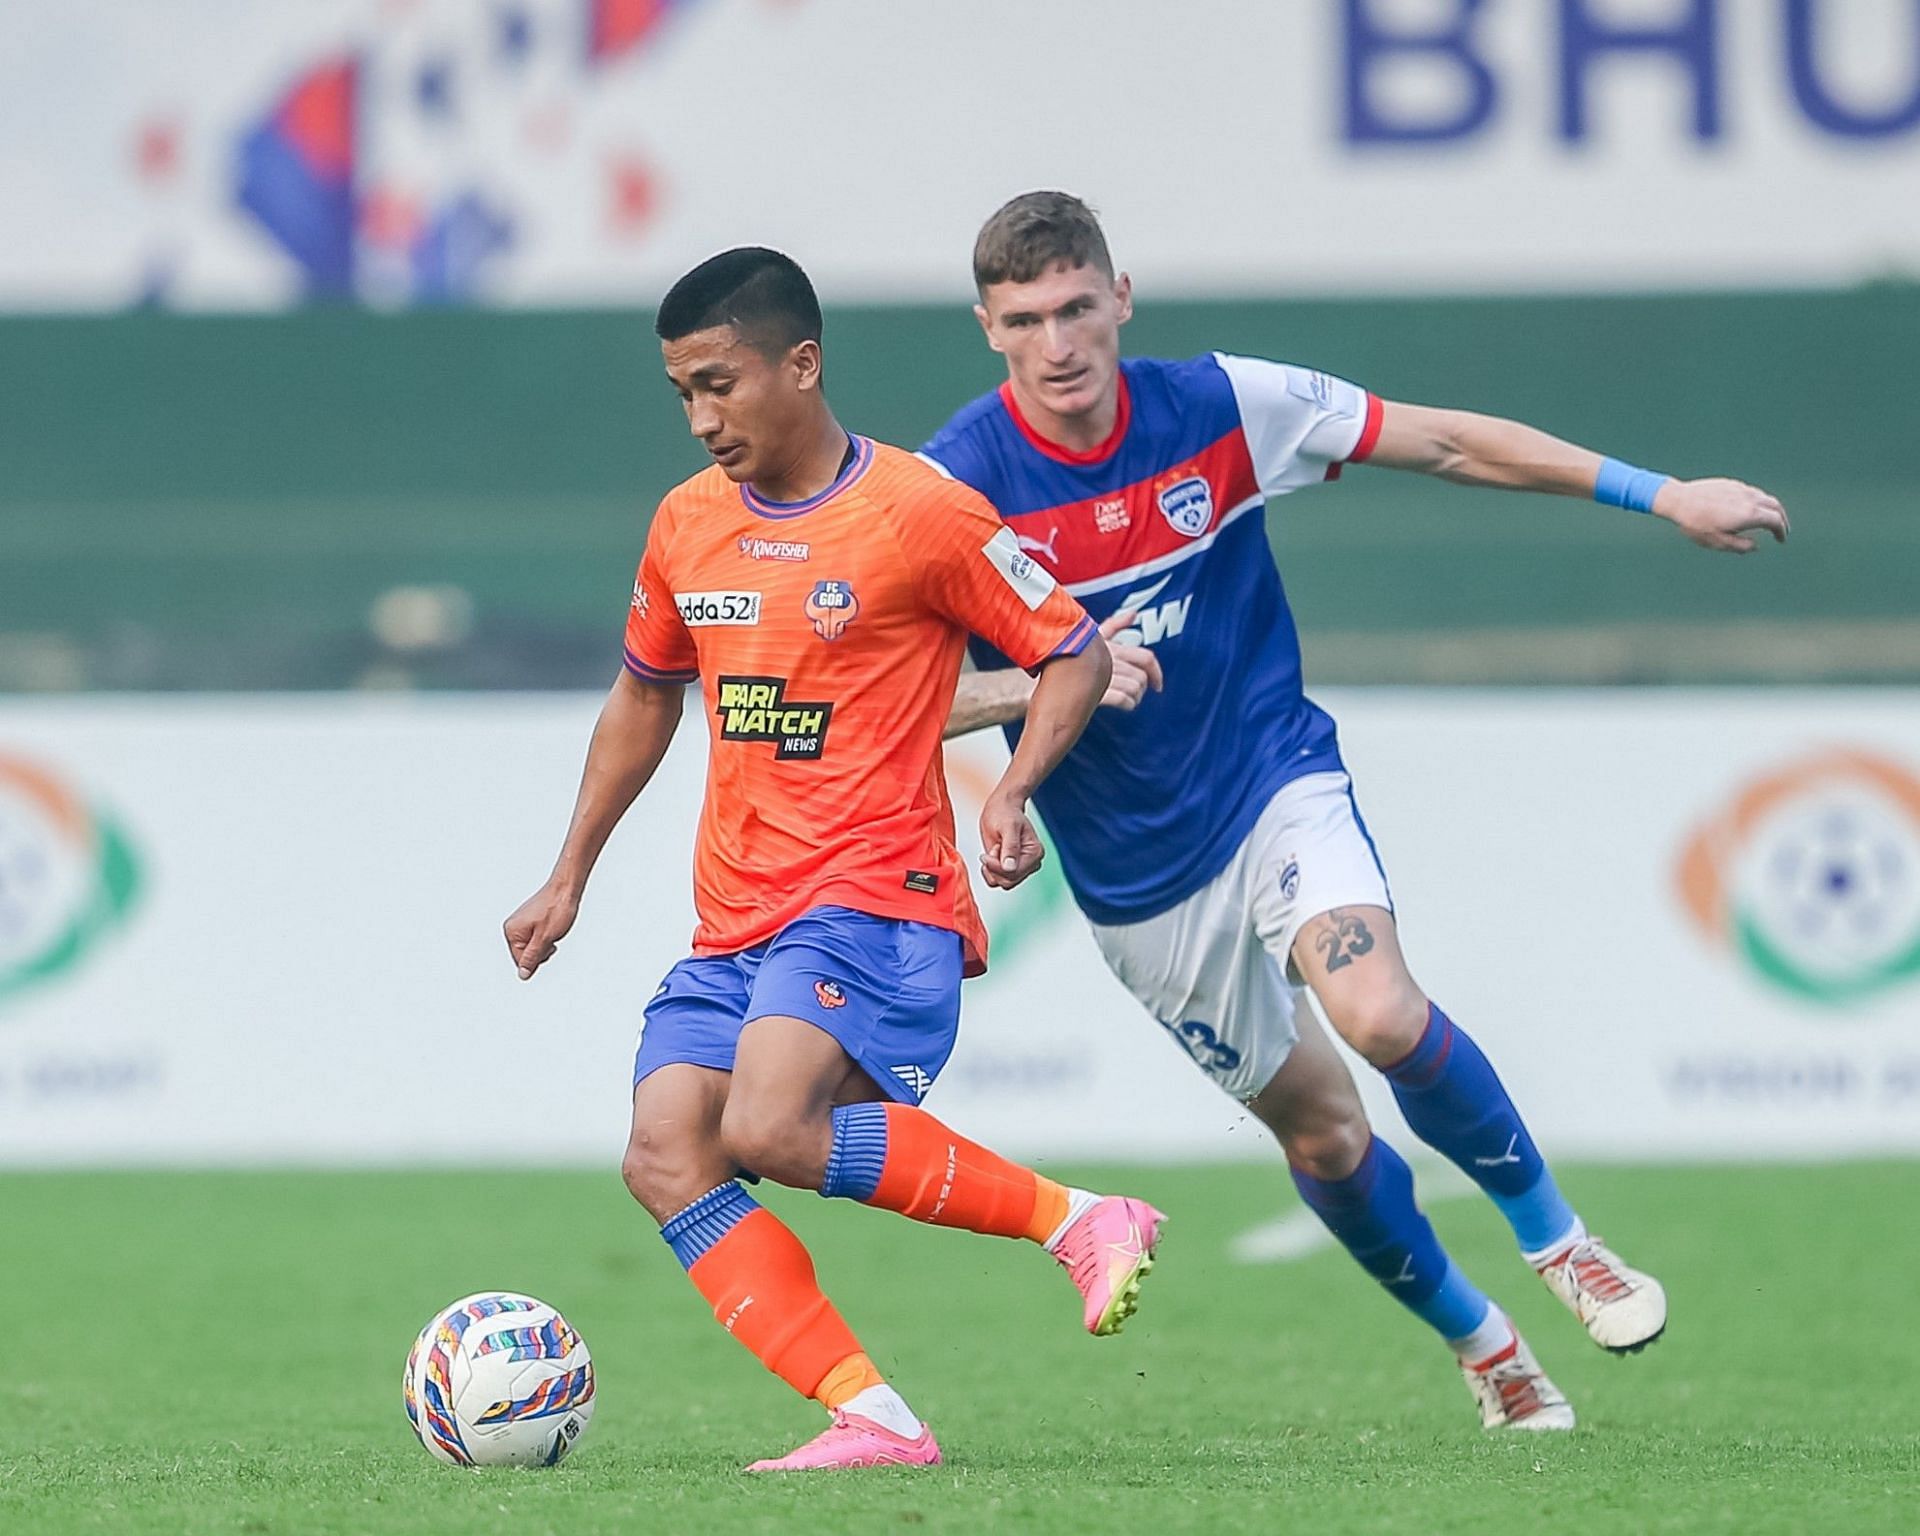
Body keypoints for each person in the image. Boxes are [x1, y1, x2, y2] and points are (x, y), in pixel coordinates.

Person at [928, 192, 1790, 1431]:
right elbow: (883, 698)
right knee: (1327, 1140)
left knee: (1380, 1010)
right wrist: (1048, 678)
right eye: (1026, 320)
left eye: (1077, 308)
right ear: (988, 329)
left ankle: (1563, 1245)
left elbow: (1443, 441)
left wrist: (1660, 496)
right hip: (1140, 888)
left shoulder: (1219, 407)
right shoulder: (954, 487)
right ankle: (1483, 1346)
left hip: (1271, 779)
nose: (1060, 344)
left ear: (1123, 298)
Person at [505, 246, 1158, 1473]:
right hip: (737, 919)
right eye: (683, 395)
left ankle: (1082, 1221)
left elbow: (1069, 648)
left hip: (879, 894)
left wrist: (1016, 787)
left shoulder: (921, 511)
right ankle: (874, 1417)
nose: (703, 420)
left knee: (769, 1121)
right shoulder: (687, 525)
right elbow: (645, 699)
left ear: (801, 365)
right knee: (664, 1152)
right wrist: (569, 874)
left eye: (722, 385)